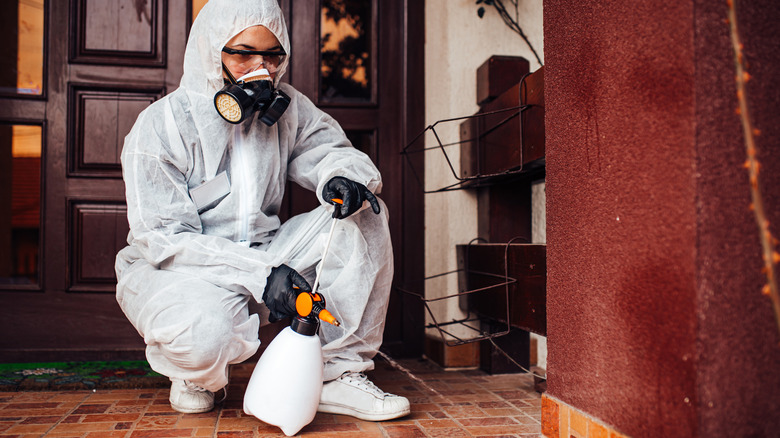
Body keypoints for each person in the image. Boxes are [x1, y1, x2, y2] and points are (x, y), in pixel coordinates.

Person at [114, 0, 409, 421]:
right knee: (203, 337)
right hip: (183, 271)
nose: (262, 68)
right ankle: (195, 374)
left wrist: (341, 176)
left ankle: (338, 373)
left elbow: (328, 148)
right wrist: (260, 274)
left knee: (364, 212)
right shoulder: (161, 126)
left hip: (270, 251)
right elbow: (161, 238)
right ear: (211, 50)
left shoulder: (287, 109)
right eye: (243, 53)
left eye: (273, 55)